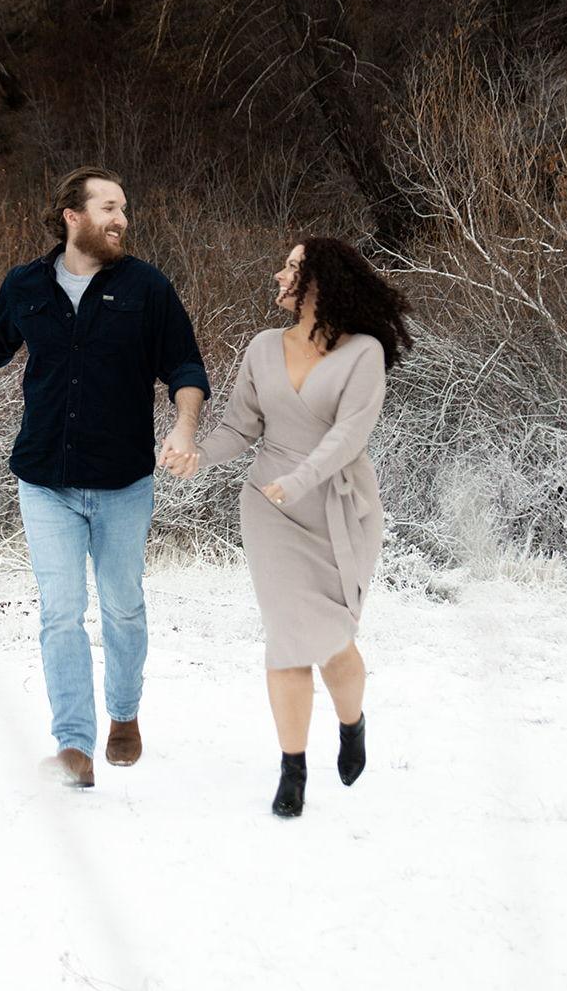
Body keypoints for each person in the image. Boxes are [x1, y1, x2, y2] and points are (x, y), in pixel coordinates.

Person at [0, 167, 210, 788]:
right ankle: (74, 746)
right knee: (61, 612)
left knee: (122, 606)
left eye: (124, 208)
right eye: (109, 207)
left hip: (123, 481)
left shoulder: (147, 287)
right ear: (73, 216)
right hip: (46, 478)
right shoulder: (25, 284)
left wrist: (184, 428)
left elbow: (184, 365)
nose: (122, 219)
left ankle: (124, 713)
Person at [164, 238, 412, 817]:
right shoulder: (262, 348)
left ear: (321, 282)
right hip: (269, 512)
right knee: (286, 639)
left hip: (336, 509)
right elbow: (240, 427)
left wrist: (299, 481)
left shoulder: (363, 353)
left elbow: (347, 436)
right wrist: (198, 455)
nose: (279, 274)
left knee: (333, 640)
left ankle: (352, 724)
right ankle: (292, 769)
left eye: (293, 267)